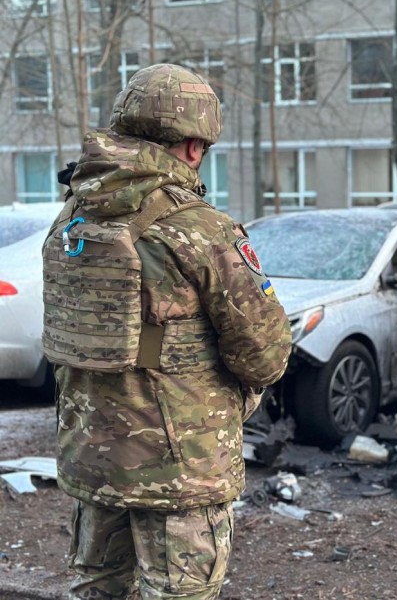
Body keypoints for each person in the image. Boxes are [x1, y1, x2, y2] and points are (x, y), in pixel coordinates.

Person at [41, 63, 292, 599]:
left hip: (93, 458)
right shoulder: (201, 230)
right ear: (195, 146)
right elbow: (266, 352)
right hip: (180, 470)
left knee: (96, 589)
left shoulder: (72, 218)